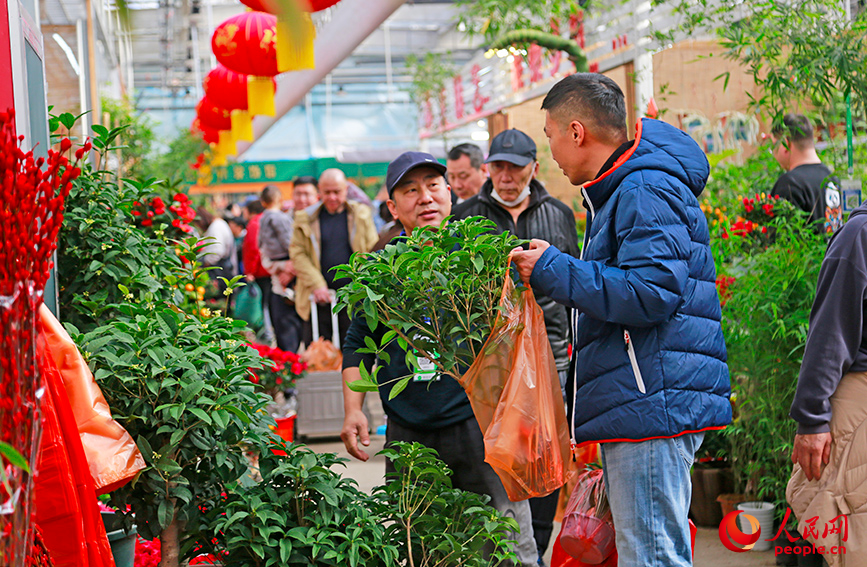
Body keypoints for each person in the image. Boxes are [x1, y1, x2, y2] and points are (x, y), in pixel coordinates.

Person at [510, 73, 732, 567]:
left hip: (650, 401)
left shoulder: (643, 187)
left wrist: (552, 269)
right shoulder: (625, 187)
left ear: (576, 132)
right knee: (647, 549)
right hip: (643, 396)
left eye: (549, 137)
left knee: (651, 555)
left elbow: (650, 293)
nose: (550, 153)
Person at [340, 151, 538, 567]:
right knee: (424, 543)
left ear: (450, 193)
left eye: (433, 186)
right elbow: (358, 341)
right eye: (410, 191)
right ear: (393, 207)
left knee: (502, 538)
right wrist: (353, 410)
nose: (425, 198)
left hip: (479, 422)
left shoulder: (479, 256)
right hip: (409, 428)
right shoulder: (381, 270)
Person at [452, 128, 580, 562]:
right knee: (502, 453)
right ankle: (511, 548)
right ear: (488, 169)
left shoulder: (558, 213)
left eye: (516, 168)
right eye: (498, 168)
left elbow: (574, 279)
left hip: (552, 354)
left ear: (534, 168)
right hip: (491, 361)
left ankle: (537, 546)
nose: (506, 177)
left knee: (545, 450)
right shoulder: (465, 215)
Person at [786, 201, 867, 564]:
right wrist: (812, 419)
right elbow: (829, 334)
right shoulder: (859, 236)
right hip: (857, 409)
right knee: (848, 536)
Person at [290, 168, 378, 346]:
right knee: (319, 351)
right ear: (319, 191)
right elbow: (298, 254)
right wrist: (317, 284)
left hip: (355, 297)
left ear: (346, 190)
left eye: (337, 192)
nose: (332, 197)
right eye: (327, 192)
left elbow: (372, 249)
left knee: (356, 348)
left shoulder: (360, 214)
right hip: (318, 297)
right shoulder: (305, 218)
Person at [771, 113, 843, 234]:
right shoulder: (832, 179)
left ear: (785, 144)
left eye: (774, 145)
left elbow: (783, 238)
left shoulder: (789, 184)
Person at [258, 184, 302, 353]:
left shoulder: (263, 218)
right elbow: (289, 242)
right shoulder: (280, 218)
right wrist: (290, 265)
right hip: (285, 260)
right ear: (279, 199)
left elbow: (260, 245)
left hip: (274, 263)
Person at [242, 199, 273, 335]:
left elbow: (253, 249)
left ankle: (267, 333)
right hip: (269, 269)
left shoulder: (254, 223)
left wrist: (250, 271)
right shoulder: (265, 220)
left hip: (261, 270)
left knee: (264, 303)